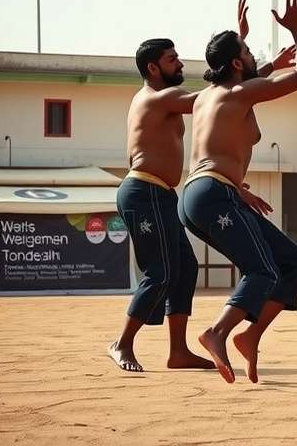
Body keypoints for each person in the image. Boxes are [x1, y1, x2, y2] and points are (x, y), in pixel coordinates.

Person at [178, 0, 297, 384]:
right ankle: (217, 332)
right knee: (262, 269)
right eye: (248, 51)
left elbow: (244, 80)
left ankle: (250, 336)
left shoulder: (208, 96)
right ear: (237, 63)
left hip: (204, 194)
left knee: (290, 261)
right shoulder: (240, 92)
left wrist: (238, 189)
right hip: (214, 193)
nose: (255, 57)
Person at [109, 38, 214, 373]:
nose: (180, 63)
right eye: (172, 59)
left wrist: (257, 67)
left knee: (185, 267)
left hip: (161, 195)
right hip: (144, 192)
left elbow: (218, 95)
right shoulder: (156, 97)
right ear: (153, 68)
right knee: (162, 271)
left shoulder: (164, 98)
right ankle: (122, 344)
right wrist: (236, 63)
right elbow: (212, 99)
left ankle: (178, 352)